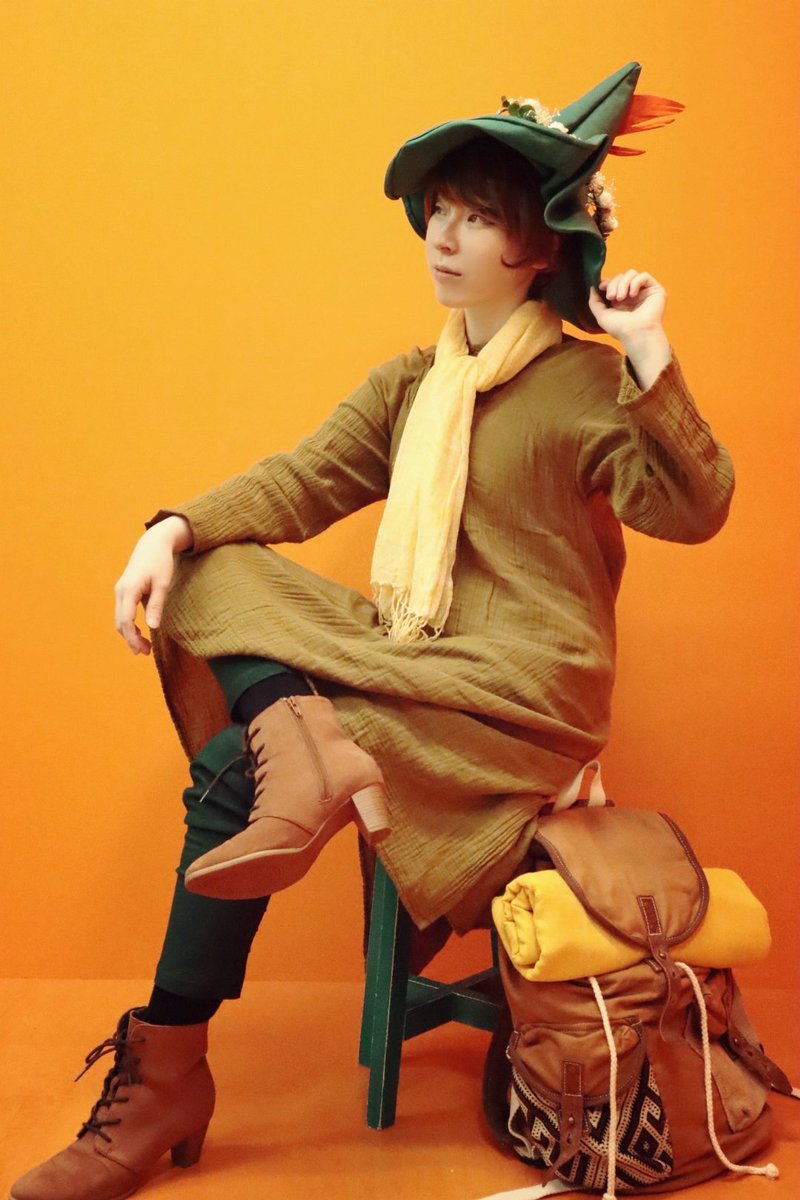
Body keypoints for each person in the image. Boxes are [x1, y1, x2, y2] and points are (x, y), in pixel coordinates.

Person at [9, 62, 734, 1200]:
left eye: (477, 217)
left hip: (520, 697)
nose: (442, 237)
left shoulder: (590, 388)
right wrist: (170, 529)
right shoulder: (412, 385)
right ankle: (286, 778)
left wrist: (647, 350)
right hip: (415, 667)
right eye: (437, 211)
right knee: (211, 566)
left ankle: (165, 1082)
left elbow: (693, 508)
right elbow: (300, 480)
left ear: (536, 247)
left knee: (228, 770)